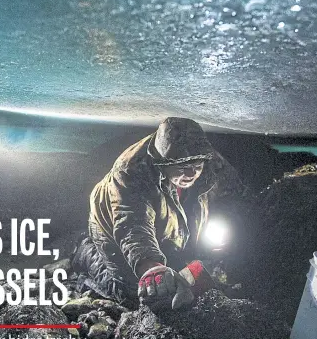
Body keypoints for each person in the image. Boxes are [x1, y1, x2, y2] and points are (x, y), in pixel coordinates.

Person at [73, 117, 243, 309]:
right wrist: (152, 269)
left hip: (168, 221)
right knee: (136, 294)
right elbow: (133, 227)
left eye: (197, 166)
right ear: (162, 163)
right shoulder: (131, 174)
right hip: (112, 222)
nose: (190, 173)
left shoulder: (204, 156)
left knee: (185, 274)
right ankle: (86, 251)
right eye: (182, 167)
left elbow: (236, 192)